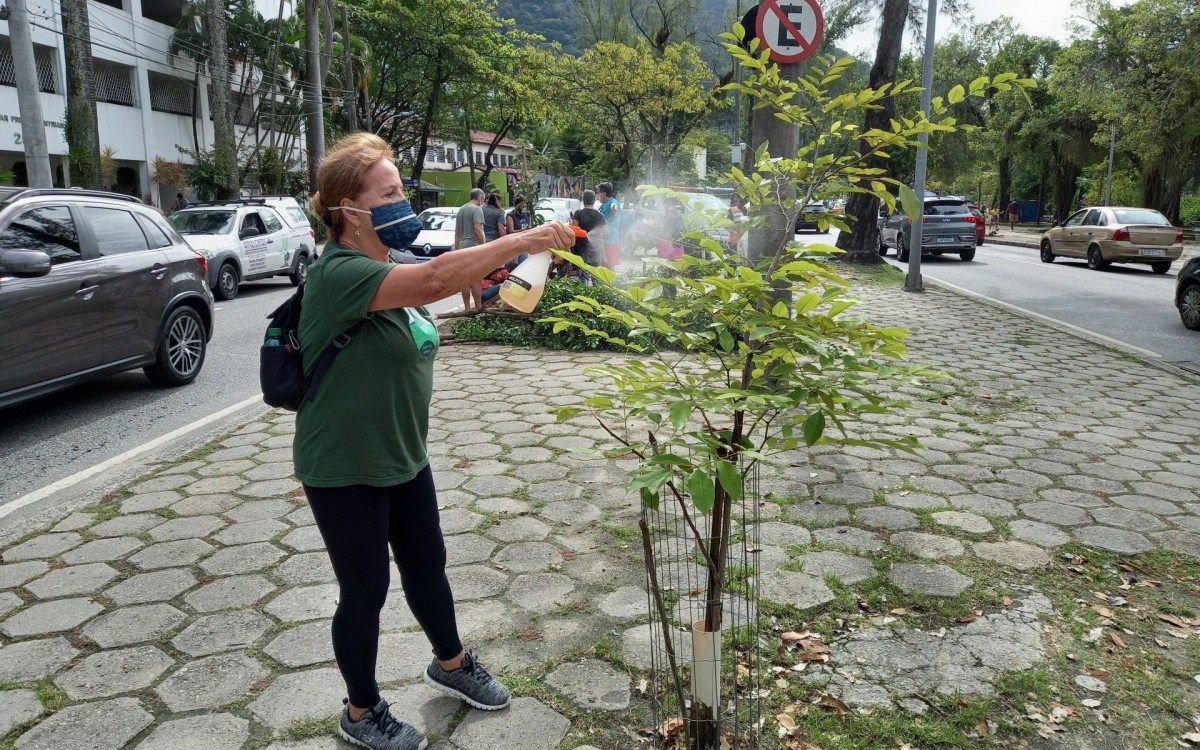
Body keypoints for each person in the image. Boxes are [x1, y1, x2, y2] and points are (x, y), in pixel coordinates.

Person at [299, 132, 573, 750]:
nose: (403, 201)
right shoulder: (340, 273)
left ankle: (450, 664)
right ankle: (360, 710)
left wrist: (526, 268)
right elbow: (433, 284)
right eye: (389, 192)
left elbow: (441, 284)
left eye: (401, 189)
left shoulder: (391, 265)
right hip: (345, 464)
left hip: (403, 454)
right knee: (364, 590)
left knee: (428, 567)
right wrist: (524, 237)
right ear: (349, 208)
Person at [453, 188, 487, 311]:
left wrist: (456, 249)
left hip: (462, 246)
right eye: (483, 199)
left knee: (464, 280)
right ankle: (478, 307)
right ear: (480, 197)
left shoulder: (461, 209)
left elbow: (457, 232)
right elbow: (478, 229)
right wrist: (483, 246)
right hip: (473, 246)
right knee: (477, 279)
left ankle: (467, 308)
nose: (483, 201)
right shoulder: (477, 209)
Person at [572, 189, 608, 279]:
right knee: (596, 274)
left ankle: (583, 291)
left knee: (582, 274)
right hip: (596, 248)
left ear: (583, 200)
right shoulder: (600, 215)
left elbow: (574, 230)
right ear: (593, 201)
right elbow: (606, 232)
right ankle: (596, 291)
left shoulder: (578, 214)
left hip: (580, 249)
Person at [596, 182, 622, 268]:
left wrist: (613, 209)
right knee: (603, 265)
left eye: (598, 192)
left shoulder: (613, 202)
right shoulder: (603, 204)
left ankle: (610, 281)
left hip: (610, 241)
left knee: (609, 266)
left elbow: (614, 207)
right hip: (603, 240)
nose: (597, 195)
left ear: (604, 194)